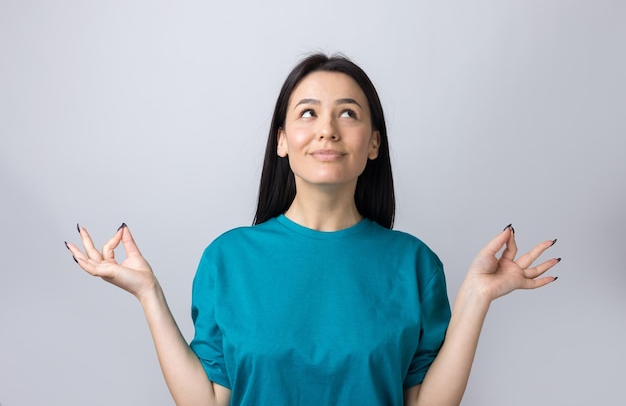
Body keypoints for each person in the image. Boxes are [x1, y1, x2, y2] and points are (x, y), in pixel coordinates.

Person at [65, 53, 560, 406]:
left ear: (372, 144)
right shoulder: (229, 258)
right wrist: (149, 293)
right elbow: (210, 401)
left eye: (348, 113)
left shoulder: (414, 264)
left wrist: (475, 296)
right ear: (282, 141)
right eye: (308, 114)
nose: (328, 129)